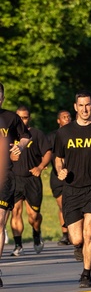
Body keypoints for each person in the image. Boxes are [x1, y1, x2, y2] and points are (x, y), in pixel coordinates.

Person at [52, 91, 91, 288]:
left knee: (89, 232)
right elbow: (57, 159)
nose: (85, 109)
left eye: (88, 105)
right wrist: (60, 170)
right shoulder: (64, 133)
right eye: (81, 105)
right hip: (71, 189)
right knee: (76, 238)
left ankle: (86, 274)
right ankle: (82, 247)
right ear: (75, 107)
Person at [8, 106, 50, 255]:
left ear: (29, 118)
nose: (22, 120)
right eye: (19, 117)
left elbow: (48, 152)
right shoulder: (9, 134)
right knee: (16, 212)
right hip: (14, 179)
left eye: (25, 117)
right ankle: (18, 245)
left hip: (32, 179)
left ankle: (36, 233)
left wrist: (40, 166)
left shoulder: (36, 134)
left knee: (33, 216)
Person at [0, 84, 32, 286]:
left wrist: (19, 147)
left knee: (0, 221)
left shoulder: (11, 118)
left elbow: (26, 136)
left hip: (4, 176)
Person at [47, 110, 72, 245]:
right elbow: (44, 152)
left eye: (69, 117)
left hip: (74, 175)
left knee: (73, 205)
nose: (67, 119)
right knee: (62, 205)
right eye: (64, 117)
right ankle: (65, 234)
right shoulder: (51, 137)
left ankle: (75, 231)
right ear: (58, 121)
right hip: (57, 176)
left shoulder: (75, 134)